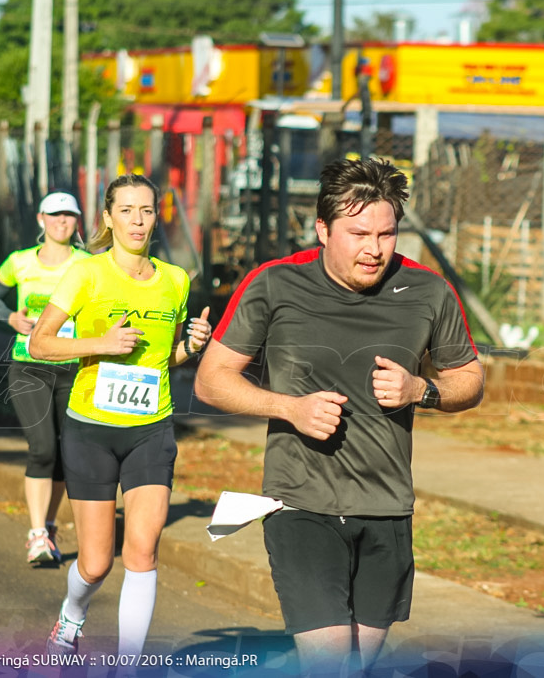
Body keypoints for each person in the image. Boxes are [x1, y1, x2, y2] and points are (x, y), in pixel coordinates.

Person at [194, 158, 485, 674]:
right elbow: (212, 379)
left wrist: (422, 389)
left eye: (387, 233)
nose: (374, 248)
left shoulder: (427, 291)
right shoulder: (274, 284)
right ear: (323, 229)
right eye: (358, 233)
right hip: (301, 505)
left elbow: (470, 380)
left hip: (387, 506)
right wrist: (289, 407)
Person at [28, 173, 212, 659]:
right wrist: (101, 344)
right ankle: (71, 615)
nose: (137, 220)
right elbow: (39, 343)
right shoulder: (86, 272)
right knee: (94, 563)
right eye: (126, 210)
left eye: (146, 210)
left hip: (151, 430)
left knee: (143, 553)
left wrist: (192, 346)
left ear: (157, 217)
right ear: (108, 218)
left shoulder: (175, 280)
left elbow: (163, 358)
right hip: (90, 431)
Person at [0, 191, 91, 566]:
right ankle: (35, 534)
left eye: (69, 215)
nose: (62, 221)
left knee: (65, 453)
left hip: (74, 366)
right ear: (41, 220)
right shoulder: (19, 262)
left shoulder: (89, 264)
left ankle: (47, 527)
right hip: (28, 365)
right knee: (42, 447)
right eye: (55, 215)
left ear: (78, 222)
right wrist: (10, 319)